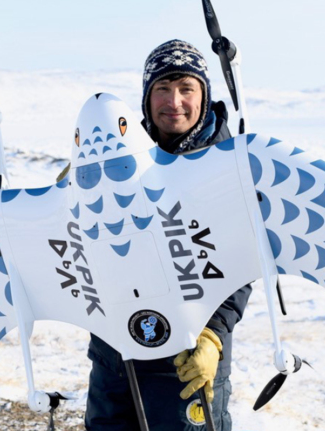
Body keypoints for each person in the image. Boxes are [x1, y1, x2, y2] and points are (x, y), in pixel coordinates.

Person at [81, 39, 252, 431]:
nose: (173, 101)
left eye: (186, 88)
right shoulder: (120, 161)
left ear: (204, 97)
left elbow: (242, 262)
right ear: (146, 99)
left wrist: (214, 335)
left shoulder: (228, 168)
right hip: (115, 356)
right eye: (162, 88)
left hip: (188, 355)